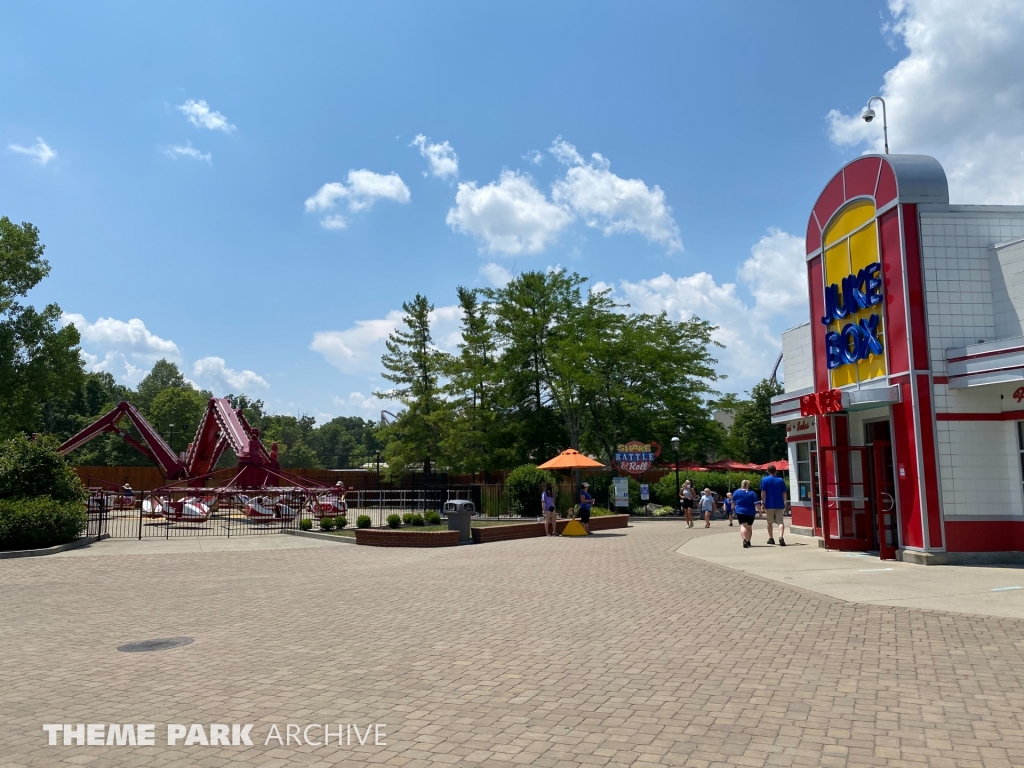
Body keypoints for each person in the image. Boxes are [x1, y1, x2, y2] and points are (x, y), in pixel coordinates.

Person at [760, 465, 789, 546]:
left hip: (769, 504)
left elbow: (763, 492)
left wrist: (763, 502)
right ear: (775, 471)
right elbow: (784, 492)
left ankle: (771, 538)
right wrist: (785, 502)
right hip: (779, 504)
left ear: (768, 471)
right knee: (780, 522)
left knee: (769, 522)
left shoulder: (764, 480)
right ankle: (781, 537)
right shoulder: (780, 480)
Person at [733, 479, 759, 548]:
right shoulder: (752, 493)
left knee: (743, 526)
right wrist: (760, 512)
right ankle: (748, 541)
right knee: (749, 527)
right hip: (750, 512)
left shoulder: (736, 492)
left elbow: (733, 502)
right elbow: (757, 504)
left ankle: (744, 539)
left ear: (741, 484)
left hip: (740, 511)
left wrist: (733, 508)